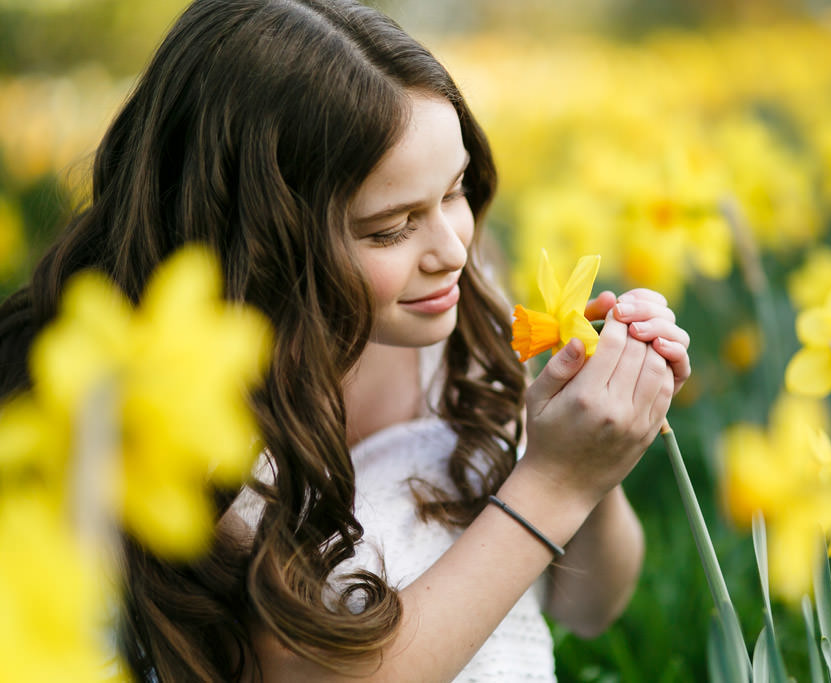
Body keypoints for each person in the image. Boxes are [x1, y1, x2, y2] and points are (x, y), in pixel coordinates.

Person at [0, 0, 691, 680]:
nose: (452, 248)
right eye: (391, 227)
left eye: (454, 191)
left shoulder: (456, 316)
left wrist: (594, 453)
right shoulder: (158, 398)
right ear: (264, 239)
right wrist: (553, 482)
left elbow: (590, 604)